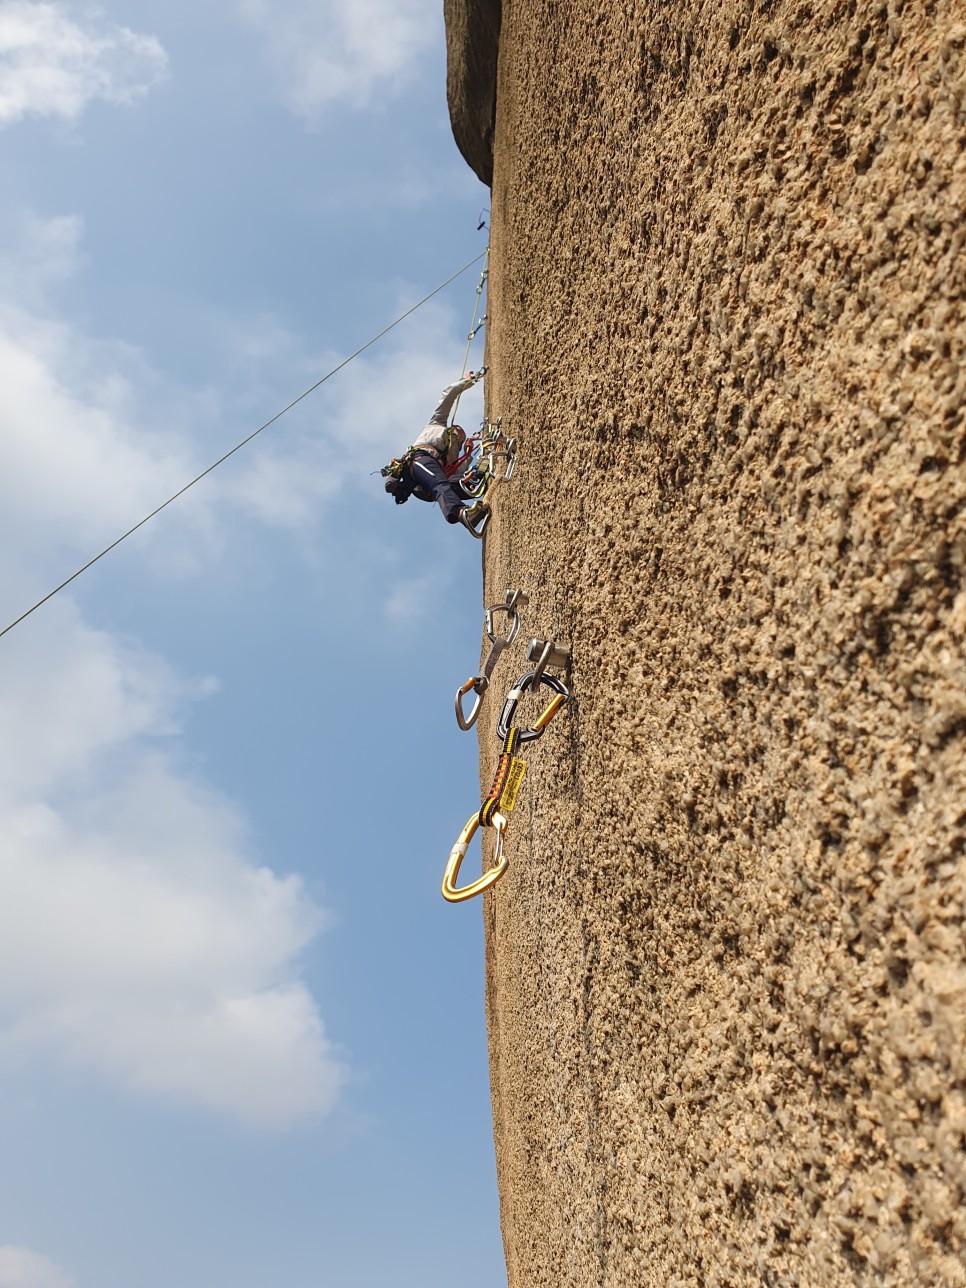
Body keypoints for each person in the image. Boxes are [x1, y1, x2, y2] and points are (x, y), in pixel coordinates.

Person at [401, 373, 490, 534]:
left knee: (471, 481)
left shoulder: (452, 457)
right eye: (458, 433)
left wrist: (469, 453)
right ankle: (461, 513)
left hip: (430, 488)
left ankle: (477, 500)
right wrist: (466, 382)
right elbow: (447, 396)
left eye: (461, 438)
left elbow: (460, 473)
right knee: (440, 482)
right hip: (419, 461)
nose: (459, 437)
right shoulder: (437, 424)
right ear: (452, 429)